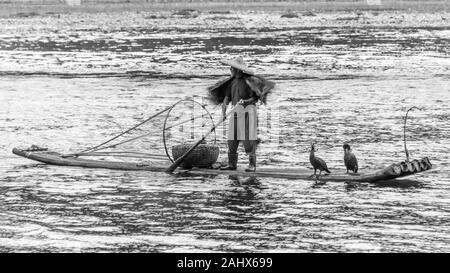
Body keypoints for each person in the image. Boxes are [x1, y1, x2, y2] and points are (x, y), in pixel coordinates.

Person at [207, 56, 275, 172]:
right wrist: (223, 114)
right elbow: (226, 99)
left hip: (249, 111)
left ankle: (252, 165)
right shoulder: (231, 82)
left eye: (232, 68)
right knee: (231, 139)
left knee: (248, 138)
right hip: (235, 111)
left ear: (238, 70)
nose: (230, 70)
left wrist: (245, 102)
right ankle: (232, 164)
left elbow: (255, 99)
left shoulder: (249, 82)